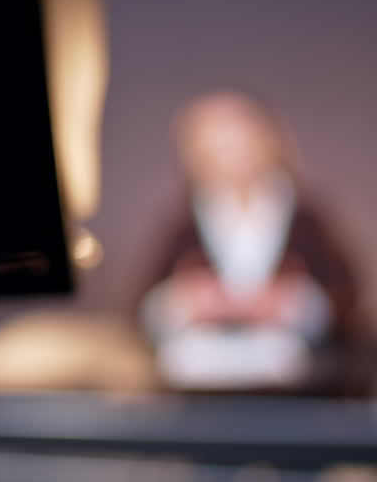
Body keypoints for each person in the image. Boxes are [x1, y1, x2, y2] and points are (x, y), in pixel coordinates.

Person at [134, 90, 369, 394]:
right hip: (200, 386)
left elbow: (345, 300)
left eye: (237, 142)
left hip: (298, 387)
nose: (229, 156)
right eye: (214, 145)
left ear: (268, 141)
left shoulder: (308, 221)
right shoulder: (182, 226)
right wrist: (187, 302)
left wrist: (289, 303)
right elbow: (144, 307)